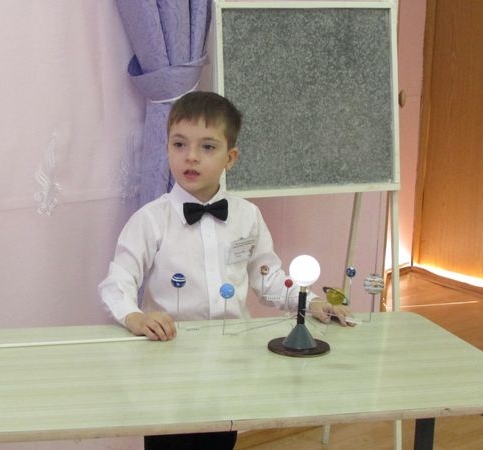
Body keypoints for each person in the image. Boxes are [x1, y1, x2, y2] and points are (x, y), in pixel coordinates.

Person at [98, 91, 353, 449]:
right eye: (179, 144)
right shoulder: (150, 220)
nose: (191, 156)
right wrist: (134, 316)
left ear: (230, 157)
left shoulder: (248, 216)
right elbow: (118, 280)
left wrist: (309, 303)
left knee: (220, 442)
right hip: (167, 361)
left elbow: (269, 278)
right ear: (167, 148)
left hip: (231, 361)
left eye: (207, 147)